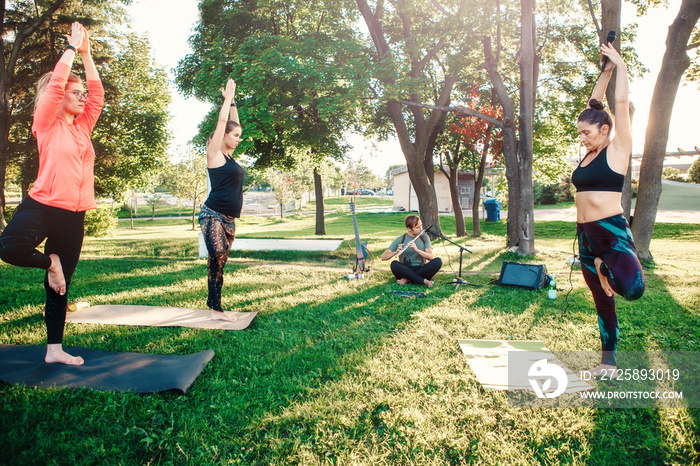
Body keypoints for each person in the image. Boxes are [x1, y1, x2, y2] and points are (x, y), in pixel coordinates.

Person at [0, 22, 104, 365]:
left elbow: (98, 94)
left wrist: (87, 55)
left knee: (59, 287)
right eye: (75, 93)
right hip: (41, 205)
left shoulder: (82, 126)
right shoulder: (46, 121)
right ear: (60, 98)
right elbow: (56, 85)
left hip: (74, 217)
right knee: (11, 248)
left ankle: (54, 350)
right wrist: (72, 49)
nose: (82, 97)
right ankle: (51, 262)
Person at [572, 42, 645, 378]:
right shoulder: (587, 155)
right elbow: (594, 103)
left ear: (604, 130)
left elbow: (617, 103)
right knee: (602, 300)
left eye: (586, 133)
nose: (582, 138)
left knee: (632, 289)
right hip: (585, 236)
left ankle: (605, 264)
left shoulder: (617, 150)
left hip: (612, 233)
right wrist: (605, 71)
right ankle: (608, 363)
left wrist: (621, 64)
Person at [198, 79, 244, 322]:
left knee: (219, 263)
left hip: (229, 220)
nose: (239, 138)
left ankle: (213, 303)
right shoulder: (214, 154)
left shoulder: (231, 157)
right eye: (235, 135)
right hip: (212, 214)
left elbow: (233, 123)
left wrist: (234, 100)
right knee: (216, 254)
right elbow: (223, 122)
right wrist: (226, 100)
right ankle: (216, 310)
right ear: (223, 136)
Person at [381, 215, 442, 287]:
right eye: (417, 227)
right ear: (409, 229)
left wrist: (417, 250)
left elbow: (430, 257)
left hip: (421, 268)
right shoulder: (401, 239)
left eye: (421, 226)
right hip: (405, 269)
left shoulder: (424, 237)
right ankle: (423, 280)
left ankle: (407, 279)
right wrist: (396, 252)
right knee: (394, 264)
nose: (421, 229)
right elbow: (383, 257)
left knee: (438, 261)